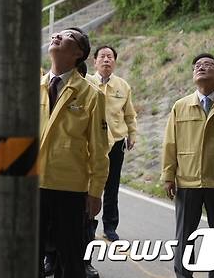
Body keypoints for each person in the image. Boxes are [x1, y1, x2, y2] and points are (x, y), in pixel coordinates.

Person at [39, 27, 109, 278]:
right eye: (57, 33)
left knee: (70, 261)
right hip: (31, 186)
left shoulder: (90, 94)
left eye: (67, 36)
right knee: (28, 258)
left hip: (69, 188)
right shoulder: (31, 88)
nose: (57, 36)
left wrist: (96, 191)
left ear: (78, 53)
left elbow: (100, 148)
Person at [162, 53, 214, 278]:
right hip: (187, 180)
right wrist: (168, 175)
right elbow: (170, 143)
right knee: (185, 236)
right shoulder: (180, 106)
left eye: (208, 65)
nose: (201, 68)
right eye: (197, 66)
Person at [87, 46, 137, 244]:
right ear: (95, 61)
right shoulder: (86, 83)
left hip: (115, 142)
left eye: (110, 57)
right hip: (91, 143)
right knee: (90, 184)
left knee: (112, 186)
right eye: (102, 56)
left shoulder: (123, 86)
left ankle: (110, 226)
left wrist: (132, 134)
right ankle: (88, 222)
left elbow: (130, 114)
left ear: (114, 62)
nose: (106, 60)